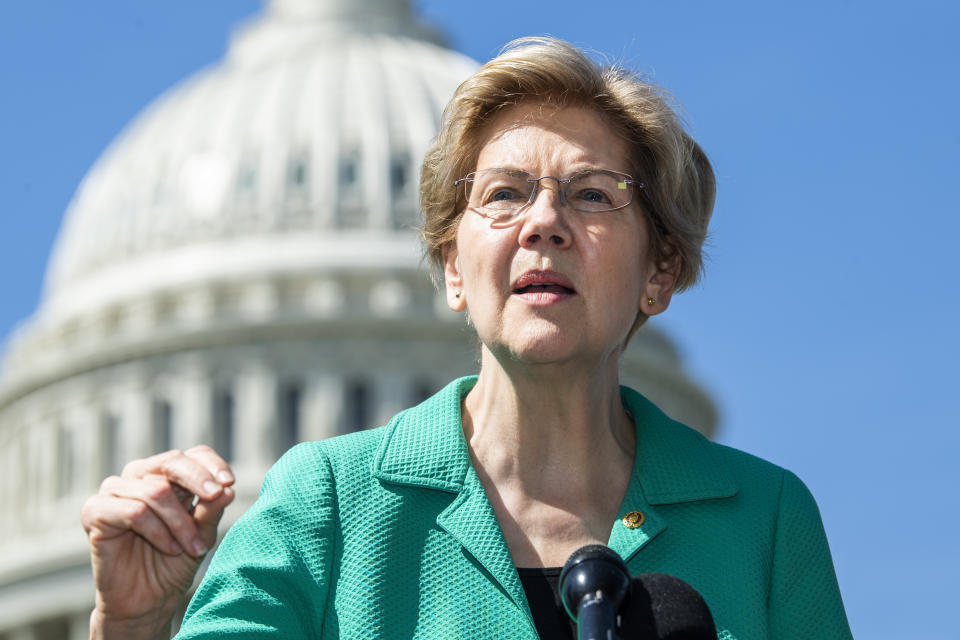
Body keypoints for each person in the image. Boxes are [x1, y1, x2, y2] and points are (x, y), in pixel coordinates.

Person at [82, 37, 852, 639]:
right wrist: (135, 628)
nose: (542, 223)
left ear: (660, 271)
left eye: (591, 194)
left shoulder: (764, 521)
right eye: (504, 194)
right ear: (453, 267)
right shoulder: (329, 507)